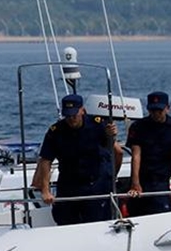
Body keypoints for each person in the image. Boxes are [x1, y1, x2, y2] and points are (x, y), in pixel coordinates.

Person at [33, 94, 121, 225]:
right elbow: (46, 161)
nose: (71, 119)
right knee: (65, 219)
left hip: (94, 184)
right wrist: (45, 190)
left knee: (96, 221)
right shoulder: (55, 131)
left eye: (74, 115)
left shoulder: (97, 125)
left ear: (82, 110)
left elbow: (113, 149)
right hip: (69, 183)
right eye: (67, 116)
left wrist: (111, 135)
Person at [126, 91, 171, 216]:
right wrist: (135, 183)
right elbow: (136, 156)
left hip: (161, 180)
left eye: (159, 110)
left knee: (160, 214)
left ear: (168, 108)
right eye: (153, 110)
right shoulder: (138, 126)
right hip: (141, 179)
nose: (156, 114)